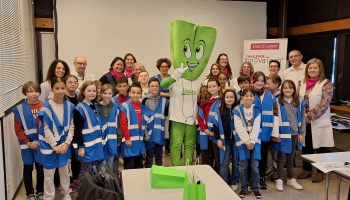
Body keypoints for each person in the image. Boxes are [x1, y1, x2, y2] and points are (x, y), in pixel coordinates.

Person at [297, 58, 334, 183]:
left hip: (318, 120)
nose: (312, 70)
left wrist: (309, 116)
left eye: (315, 68)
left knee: (321, 146)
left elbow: (324, 103)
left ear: (320, 69)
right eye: (310, 68)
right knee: (306, 145)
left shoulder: (326, 83)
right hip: (303, 120)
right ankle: (306, 169)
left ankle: (320, 171)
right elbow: (297, 100)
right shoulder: (301, 83)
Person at [38, 77, 74, 200]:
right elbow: (46, 129)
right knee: (49, 174)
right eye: (57, 88)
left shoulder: (70, 106)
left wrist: (66, 144)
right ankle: (48, 197)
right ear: (52, 89)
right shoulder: (46, 107)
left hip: (64, 145)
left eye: (62, 88)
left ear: (66, 88)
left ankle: (66, 194)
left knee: (64, 171)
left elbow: (71, 126)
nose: (60, 91)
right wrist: (54, 145)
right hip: (49, 146)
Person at [12, 81, 44, 200]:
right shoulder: (19, 109)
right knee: (28, 168)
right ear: (25, 93)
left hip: (42, 144)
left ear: (39, 92)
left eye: (36, 91)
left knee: (40, 168)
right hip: (27, 145)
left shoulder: (45, 106)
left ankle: (40, 191)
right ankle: (29, 193)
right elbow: (18, 129)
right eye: (30, 91)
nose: (33, 94)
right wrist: (28, 143)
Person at [272, 80, 305, 191]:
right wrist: (277, 134)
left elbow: (303, 119)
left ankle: (290, 178)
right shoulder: (277, 102)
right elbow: (275, 120)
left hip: (295, 133)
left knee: (291, 156)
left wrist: (301, 133)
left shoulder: (299, 102)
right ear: (282, 89)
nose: (288, 90)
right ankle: (279, 179)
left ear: (294, 89)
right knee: (281, 157)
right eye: (285, 88)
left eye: (290, 87)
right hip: (283, 134)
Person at [73, 81, 104, 187]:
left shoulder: (94, 105)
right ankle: (82, 192)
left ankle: (91, 192)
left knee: (93, 172)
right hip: (86, 147)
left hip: (95, 146)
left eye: (94, 91)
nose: (92, 93)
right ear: (83, 92)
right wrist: (80, 147)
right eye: (89, 91)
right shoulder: (80, 108)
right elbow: (77, 131)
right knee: (85, 172)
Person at [233, 88, 262, 199]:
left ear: (254, 98)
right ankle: (244, 188)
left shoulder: (257, 110)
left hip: (255, 142)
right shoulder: (237, 110)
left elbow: (256, 126)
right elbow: (239, 127)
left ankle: (255, 188)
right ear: (242, 97)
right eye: (246, 96)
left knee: (255, 167)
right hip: (243, 142)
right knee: (243, 166)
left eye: (251, 96)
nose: (248, 98)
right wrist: (247, 141)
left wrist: (252, 141)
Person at [119, 82, 153, 169]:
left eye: (138, 93)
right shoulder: (125, 106)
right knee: (129, 166)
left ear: (141, 94)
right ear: (129, 93)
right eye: (133, 93)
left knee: (138, 165)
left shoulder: (141, 106)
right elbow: (123, 124)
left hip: (139, 142)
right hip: (129, 141)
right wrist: (127, 139)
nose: (135, 95)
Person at [252, 71, 277, 190]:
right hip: (252, 132)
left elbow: (276, 115)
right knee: (251, 156)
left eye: (262, 81)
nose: (260, 83)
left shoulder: (270, 95)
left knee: (263, 156)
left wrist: (275, 133)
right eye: (257, 80)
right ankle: (251, 178)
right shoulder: (249, 93)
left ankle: (262, 178)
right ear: (253, 81)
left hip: (266, 132)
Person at [215, 89, 239, 191]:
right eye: (227, 97)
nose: (229, 99)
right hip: (225, 141)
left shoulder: (238, 110)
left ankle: (234, 181)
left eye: (232, 97)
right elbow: (215, 126)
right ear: (224, 99)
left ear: (235, 98)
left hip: (236, 141)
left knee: (236, 162)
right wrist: (218, 139)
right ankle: (223, 183)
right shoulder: (219, 111)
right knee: (224, 163)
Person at [142, 78, 169, 167]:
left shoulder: (165, 101)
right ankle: (147, 174)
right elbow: (143, 119)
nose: (154, 88)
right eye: (152, 86)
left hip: (160, 134)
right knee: (149, 157)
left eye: (156, 86)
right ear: (148, 87)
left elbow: (166, 118)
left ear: (160, 87)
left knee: (159, 156)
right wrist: (145, 134)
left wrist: (166, 133)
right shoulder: (145, 100)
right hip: (149, 135)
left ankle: (159, 175)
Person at [197, 78, 222, 173]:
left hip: (216, 133)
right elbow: (199, 116)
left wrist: (214, 132)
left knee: (218, 157)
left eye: (214, 86)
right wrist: (205, 130)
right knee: (206, 156)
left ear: (219, 87)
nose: (212, 88)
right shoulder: (204, 101)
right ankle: (207, 175)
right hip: (206, 133)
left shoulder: (221, 101)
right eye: (209, 87)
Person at [96, 84, 119, 173]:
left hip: (112, 139)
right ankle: (101, 183)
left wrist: (119, 139)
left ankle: (110, 183)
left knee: (110, 162)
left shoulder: (115, 107)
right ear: (101, 93)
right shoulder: (96, 107)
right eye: (105, 93)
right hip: (100, 140)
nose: (107, 95)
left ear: (112, 94)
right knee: (102, 163)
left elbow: (118, 124)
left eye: (109, 93)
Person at [64, 75, 80, 190]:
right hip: (67, 131)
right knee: (66, 158)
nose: (73, 84)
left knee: (76, 156)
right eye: (70, 82)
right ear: (65, 84)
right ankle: (64, 182)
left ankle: (75, 179)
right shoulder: (64, 98)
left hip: (77, 130)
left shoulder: (79, 96)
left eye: (75, 82)